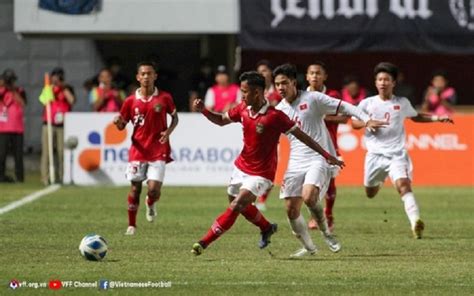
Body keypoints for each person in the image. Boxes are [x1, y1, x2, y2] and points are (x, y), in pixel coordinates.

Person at [191, 71, 344, 256]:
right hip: (241, 167)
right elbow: (221, 121)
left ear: (257, 92)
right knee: (238, 204)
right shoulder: (242, 109)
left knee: (237, 205)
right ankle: (266, 227)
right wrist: (204, 111)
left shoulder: (275, 116)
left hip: (262, 173)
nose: (242, 95)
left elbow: (303, 136)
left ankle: (203, 243)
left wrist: (327, 154)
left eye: (245, 91)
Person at [274, 64, 385, 257]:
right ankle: (309, 247)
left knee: (309, 197)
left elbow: (346, 107)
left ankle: (326, 232)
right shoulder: (279, 110)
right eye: (277, 84)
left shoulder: (313, 99)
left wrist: (366, 119)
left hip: (318, 157)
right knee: (291, 210)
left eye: (284, 83)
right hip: (296, 161)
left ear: (293, 82)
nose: (280, 88)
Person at [352, 62, 453, 239]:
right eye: (380, 79)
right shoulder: (367, 103)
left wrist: (438, 118)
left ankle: (415, 222)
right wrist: (367, 122)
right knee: (370, 193)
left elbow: (417, 117)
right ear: (376, 83)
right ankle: (381, 180)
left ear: (393, 83)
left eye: (387, 79)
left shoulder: (402, 103)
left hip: (396, 155)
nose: (383, 83)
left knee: (404, 185)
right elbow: (354, 123)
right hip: (374, 156)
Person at [113, 61, 179, 236]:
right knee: (135, 189)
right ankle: (132, 225)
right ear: (138, 77)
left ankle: (151, 202)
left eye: (149, 73)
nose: (146, 77)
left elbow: (175, 118)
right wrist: (118, 123)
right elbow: (121, 126)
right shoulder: (129, 101)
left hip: (158, 149)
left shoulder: (164, 98)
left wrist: (168, 131)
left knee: (153, 189)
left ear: (155, 76)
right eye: (143, 74)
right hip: (138, 151)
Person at [305, 61, 346, 232]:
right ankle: (315, 215)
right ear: (307, 76)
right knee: (308, 183)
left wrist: (321, 116)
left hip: (329, 145)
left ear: (324, 76)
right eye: (312, 73)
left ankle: (328, 215)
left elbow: (344, 117)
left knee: (329, 182)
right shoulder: (301, 96)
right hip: (307, 147)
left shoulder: (332, 94)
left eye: (318, 73)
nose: (315, 76)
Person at [254, 59, 282, 211]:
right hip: (255, 135)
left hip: (274, 138)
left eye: (264, 70)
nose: (261, 74)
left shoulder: (278, 92)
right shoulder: (254, 92)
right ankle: (252, 196)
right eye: (259, 71)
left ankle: (262, 200)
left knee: (271, 167)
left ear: (271, 73)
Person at [41, 67, 75, 185]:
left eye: (59, 77)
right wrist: (51, 88)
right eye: (54, 77)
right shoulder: (48, 88)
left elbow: (71, 101)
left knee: (61, 151)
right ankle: (46, 177)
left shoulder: (67, 89)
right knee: (47, 152)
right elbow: (44, 102)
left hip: (62, 124)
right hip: (49, 123)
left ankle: (62, 176)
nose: (56, 80)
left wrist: (63, 87)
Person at [0, 69, 27, 183]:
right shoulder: (1, 91)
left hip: (17, 128)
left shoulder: (19, 90)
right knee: (1, 154)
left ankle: (19, 177)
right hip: (3, 128)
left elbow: (23, 103)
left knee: (18, 155)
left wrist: (13, 91)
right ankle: (1, 176)